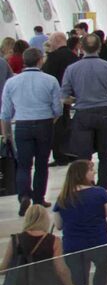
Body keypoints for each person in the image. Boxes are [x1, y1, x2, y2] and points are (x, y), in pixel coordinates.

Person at [59, 32, 107, 188]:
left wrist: (77, 99)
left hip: (83, 114)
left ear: (81, 47)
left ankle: (86, 185)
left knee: (83, 156)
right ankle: (103, 187)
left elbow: (64, 96)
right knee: (105, 155)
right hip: (105, 113)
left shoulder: (72, 69)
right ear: (100, 47)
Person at [52, 158, 107, 285]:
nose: (94, 172)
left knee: (79, 283)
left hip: (73, 246)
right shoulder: (100, 193)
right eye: (91, 170)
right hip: (99, 242)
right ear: (82, 174)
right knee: (102, 272)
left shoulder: (63, 198)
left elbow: (59, 225)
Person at [3, 46, 64, 212]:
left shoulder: (11, 82)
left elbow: (6, 113)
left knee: (24, 164)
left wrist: (6, 134)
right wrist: (51, 119)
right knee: (42, 163)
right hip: (44, 123)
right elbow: (58, 109)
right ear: (40, 61)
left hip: (22, 125)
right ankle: (38, 199)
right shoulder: (50, 80)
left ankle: (24, 195)